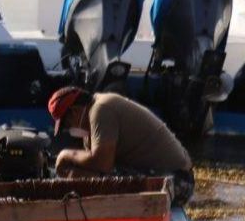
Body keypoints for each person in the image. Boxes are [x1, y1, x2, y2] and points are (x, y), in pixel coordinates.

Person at [48, 86, 196, 206]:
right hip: (161, 177)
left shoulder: (101, 109)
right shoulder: (92, 120)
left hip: (177, 183)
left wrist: (66, 155)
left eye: (67, 125)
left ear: (74, 112)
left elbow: (102, 163)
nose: (69, 130)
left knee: (79, 176)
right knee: (78, 173)